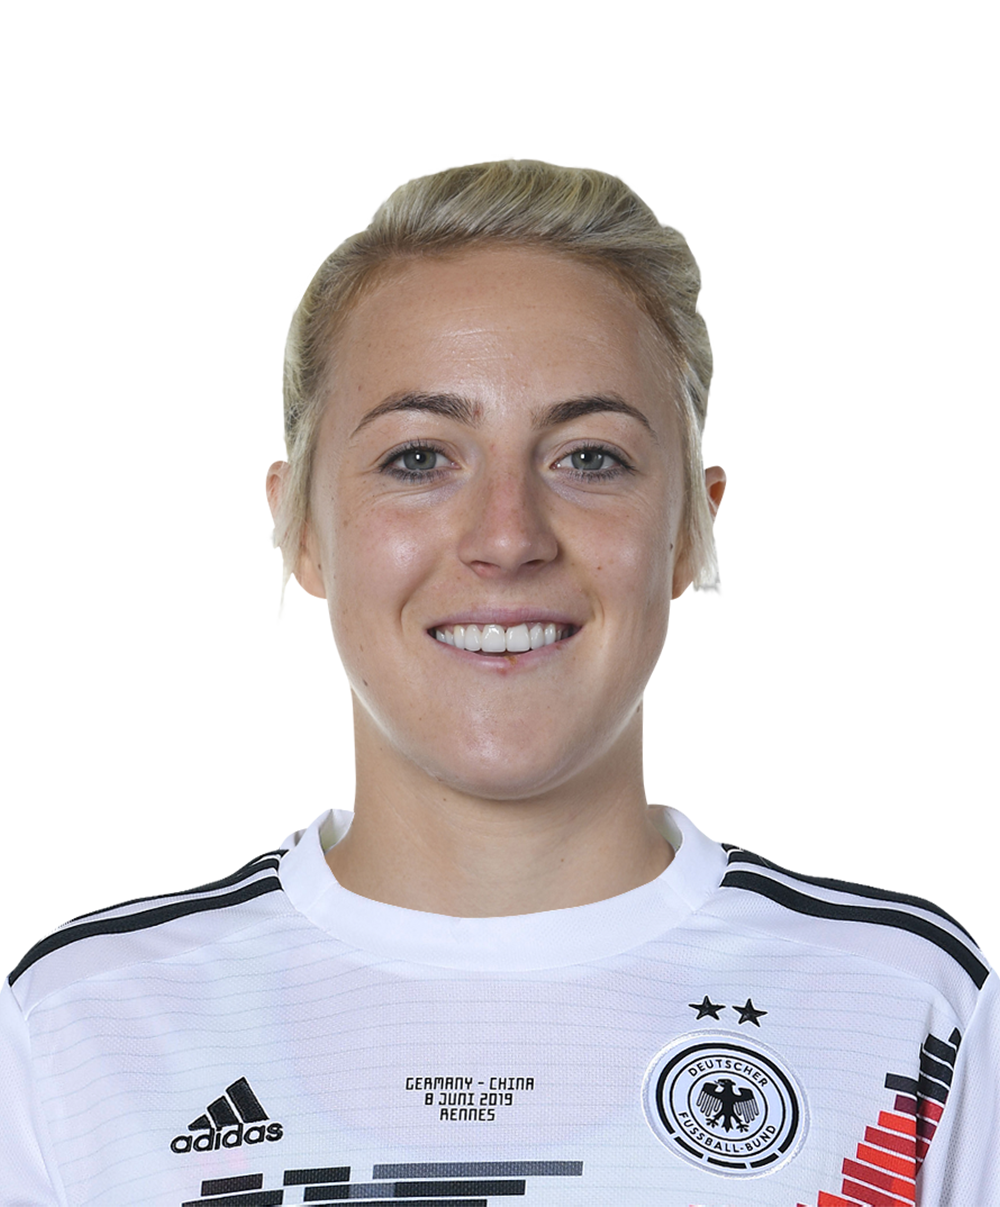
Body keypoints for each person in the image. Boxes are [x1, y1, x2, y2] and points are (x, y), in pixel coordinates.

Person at [0, 163, 993, 1205]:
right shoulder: (74, 1030)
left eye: (590, 458)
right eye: (420, 458)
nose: (508, 536)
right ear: (305, 535)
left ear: (687, 534)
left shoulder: (921, 1018)